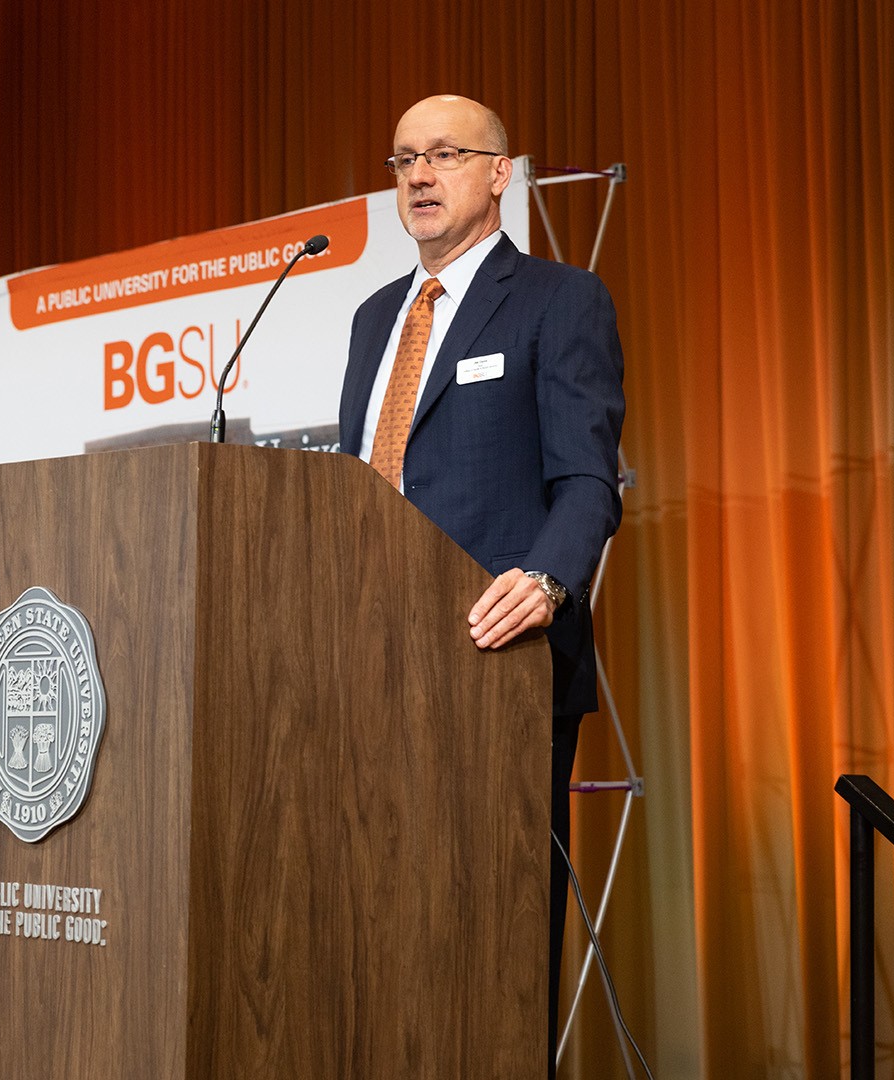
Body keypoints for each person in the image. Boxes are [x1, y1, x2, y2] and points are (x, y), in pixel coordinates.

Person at [337, 95, 624, 1074]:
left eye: (446, 155)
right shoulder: (376, 319)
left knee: (489, 935)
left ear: (500, 173)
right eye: (403, 157)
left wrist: (545, 579)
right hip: (368, 672)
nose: (419, 174)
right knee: (376, 927)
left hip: (498, 663)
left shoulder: (559, 300)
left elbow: (588, 482)